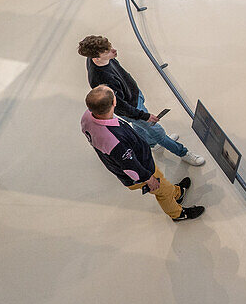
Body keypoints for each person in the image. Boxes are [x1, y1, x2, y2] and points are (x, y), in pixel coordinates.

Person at [77, 35, 206, 166]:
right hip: (131, 108)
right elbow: (120, 106)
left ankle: (152, 143)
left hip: (134, 95)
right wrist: (143, 116)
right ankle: (183, 153)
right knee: (158, 132)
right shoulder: (100, 80)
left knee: (141, 127)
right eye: (108, 51)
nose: (114, 50)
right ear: (96, 57)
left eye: (110, 46)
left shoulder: (100, 58)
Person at [82, 86, 204, 221]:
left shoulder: (88, 116)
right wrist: (149, 179)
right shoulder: (113, 139)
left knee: (162, 182)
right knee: (161, 191)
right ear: (114, 103)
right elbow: (130, 166)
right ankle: (178, 214)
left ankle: (177, 193)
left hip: (141, 162)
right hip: (143, 170)